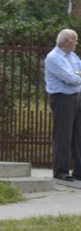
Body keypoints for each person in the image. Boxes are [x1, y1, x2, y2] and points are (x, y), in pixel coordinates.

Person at [44, 29, 81, 181]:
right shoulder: (53, 58)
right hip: (62, 98)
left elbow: (75, 74)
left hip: (77, 97)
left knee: (78, 135)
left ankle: (79, 171)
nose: (77, 43)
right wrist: (75, 75)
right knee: (63, 135)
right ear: (67, 42)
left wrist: (76, 74)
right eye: (75, 40)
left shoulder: (72, 56)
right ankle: (61, 171)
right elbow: (69, 79)